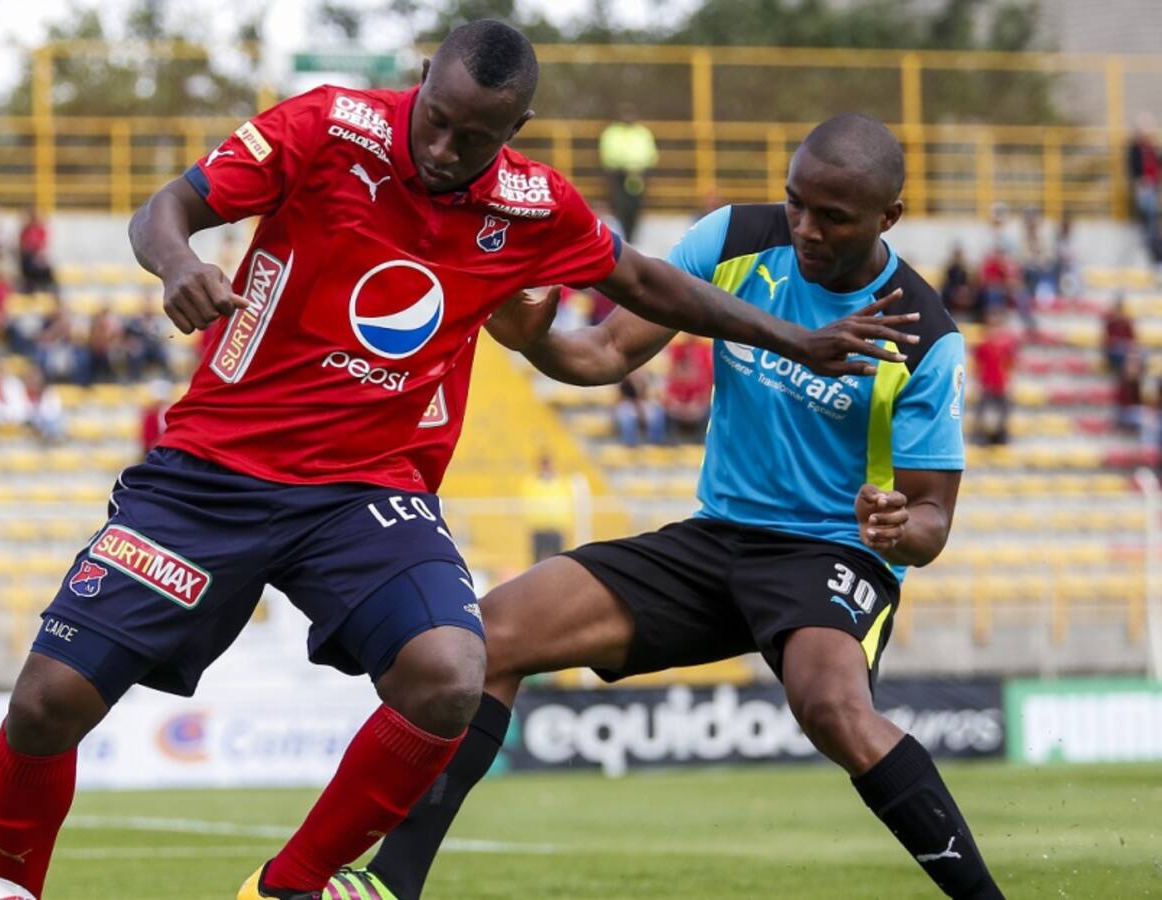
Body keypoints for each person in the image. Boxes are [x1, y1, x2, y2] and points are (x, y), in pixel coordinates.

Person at [0, 23, 914, 900]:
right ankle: (12, 890)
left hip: (367, 493)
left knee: (449, 671)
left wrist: (794, 339)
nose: (443, 152)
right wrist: (177, 261)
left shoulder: (532, 203)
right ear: (420, 76)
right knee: (46, 704)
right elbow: (169, 206)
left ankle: (287, 889)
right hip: (213, 470)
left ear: (516, 130)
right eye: (437, 122)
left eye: (475, 139)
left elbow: (641, 281)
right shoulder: (326, 126)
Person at [365, 114, 1004, 900]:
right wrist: (532, 340)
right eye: (795, 202)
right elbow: (602, 353)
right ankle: (388, 888)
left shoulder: (923, 334)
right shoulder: (734, 239)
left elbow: (932, 520)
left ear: (888, 219)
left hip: (831, 555)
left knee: (832, 708)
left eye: (832, 216)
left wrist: (901, 527)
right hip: (716, 538)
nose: (803, 227)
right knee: (484, 640)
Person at [599, 103, 658, 245]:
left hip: (638, 175)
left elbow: (651, 153)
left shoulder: (642, 132)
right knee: (620, 206)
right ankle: (623, 238)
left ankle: (631, 239)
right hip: (618, 174)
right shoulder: (612, 132)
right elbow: (608, 153)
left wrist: (640, 168)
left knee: (635, 207)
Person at [972, 305, 1018, 446]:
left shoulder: (1006, 343)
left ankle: (1000, 436)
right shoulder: (984, 343)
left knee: (1003, 412)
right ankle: (982, 436)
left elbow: (1010, 363)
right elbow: (978, 364)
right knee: (984, 412)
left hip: (1000, 382)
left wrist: (1009, 381)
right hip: (987, 382)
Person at [520, 451, 573, 563]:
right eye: (544, 463)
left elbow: (566, 503)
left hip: (556, 528)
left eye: (548, 463)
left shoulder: (562, 482)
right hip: (539, 528)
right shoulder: (531, 482)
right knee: (537, 562)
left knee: (557, 562)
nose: (547, 466)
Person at [1127, 113, 1160, 261]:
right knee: (1146, 210)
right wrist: (1138, 180)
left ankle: (1152, 238)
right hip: (1143, 183)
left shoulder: (1151, 146)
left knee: (1153, 212)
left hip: (1153, 183)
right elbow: (1132, 166)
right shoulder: (1134, 148)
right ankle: (1145, 238)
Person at [18, 207, 58, 295]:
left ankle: (46, 290)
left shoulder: (39, 230)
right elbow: (23, 248)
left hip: (36, 261)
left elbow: (42, 247)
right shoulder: (25, 231)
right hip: (28, 261)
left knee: (44, 268)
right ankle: (31, 287)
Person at [1103, 294, 1136, 376]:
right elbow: (1107, 340)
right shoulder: (1110, 323)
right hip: (1114, 351)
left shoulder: (1127, 323)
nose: (1119, 313)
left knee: (1136, 356)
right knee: (1121, 353)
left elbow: (1132, 339)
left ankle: (1128, 375)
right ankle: (1124, 375)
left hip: (1125, 350)